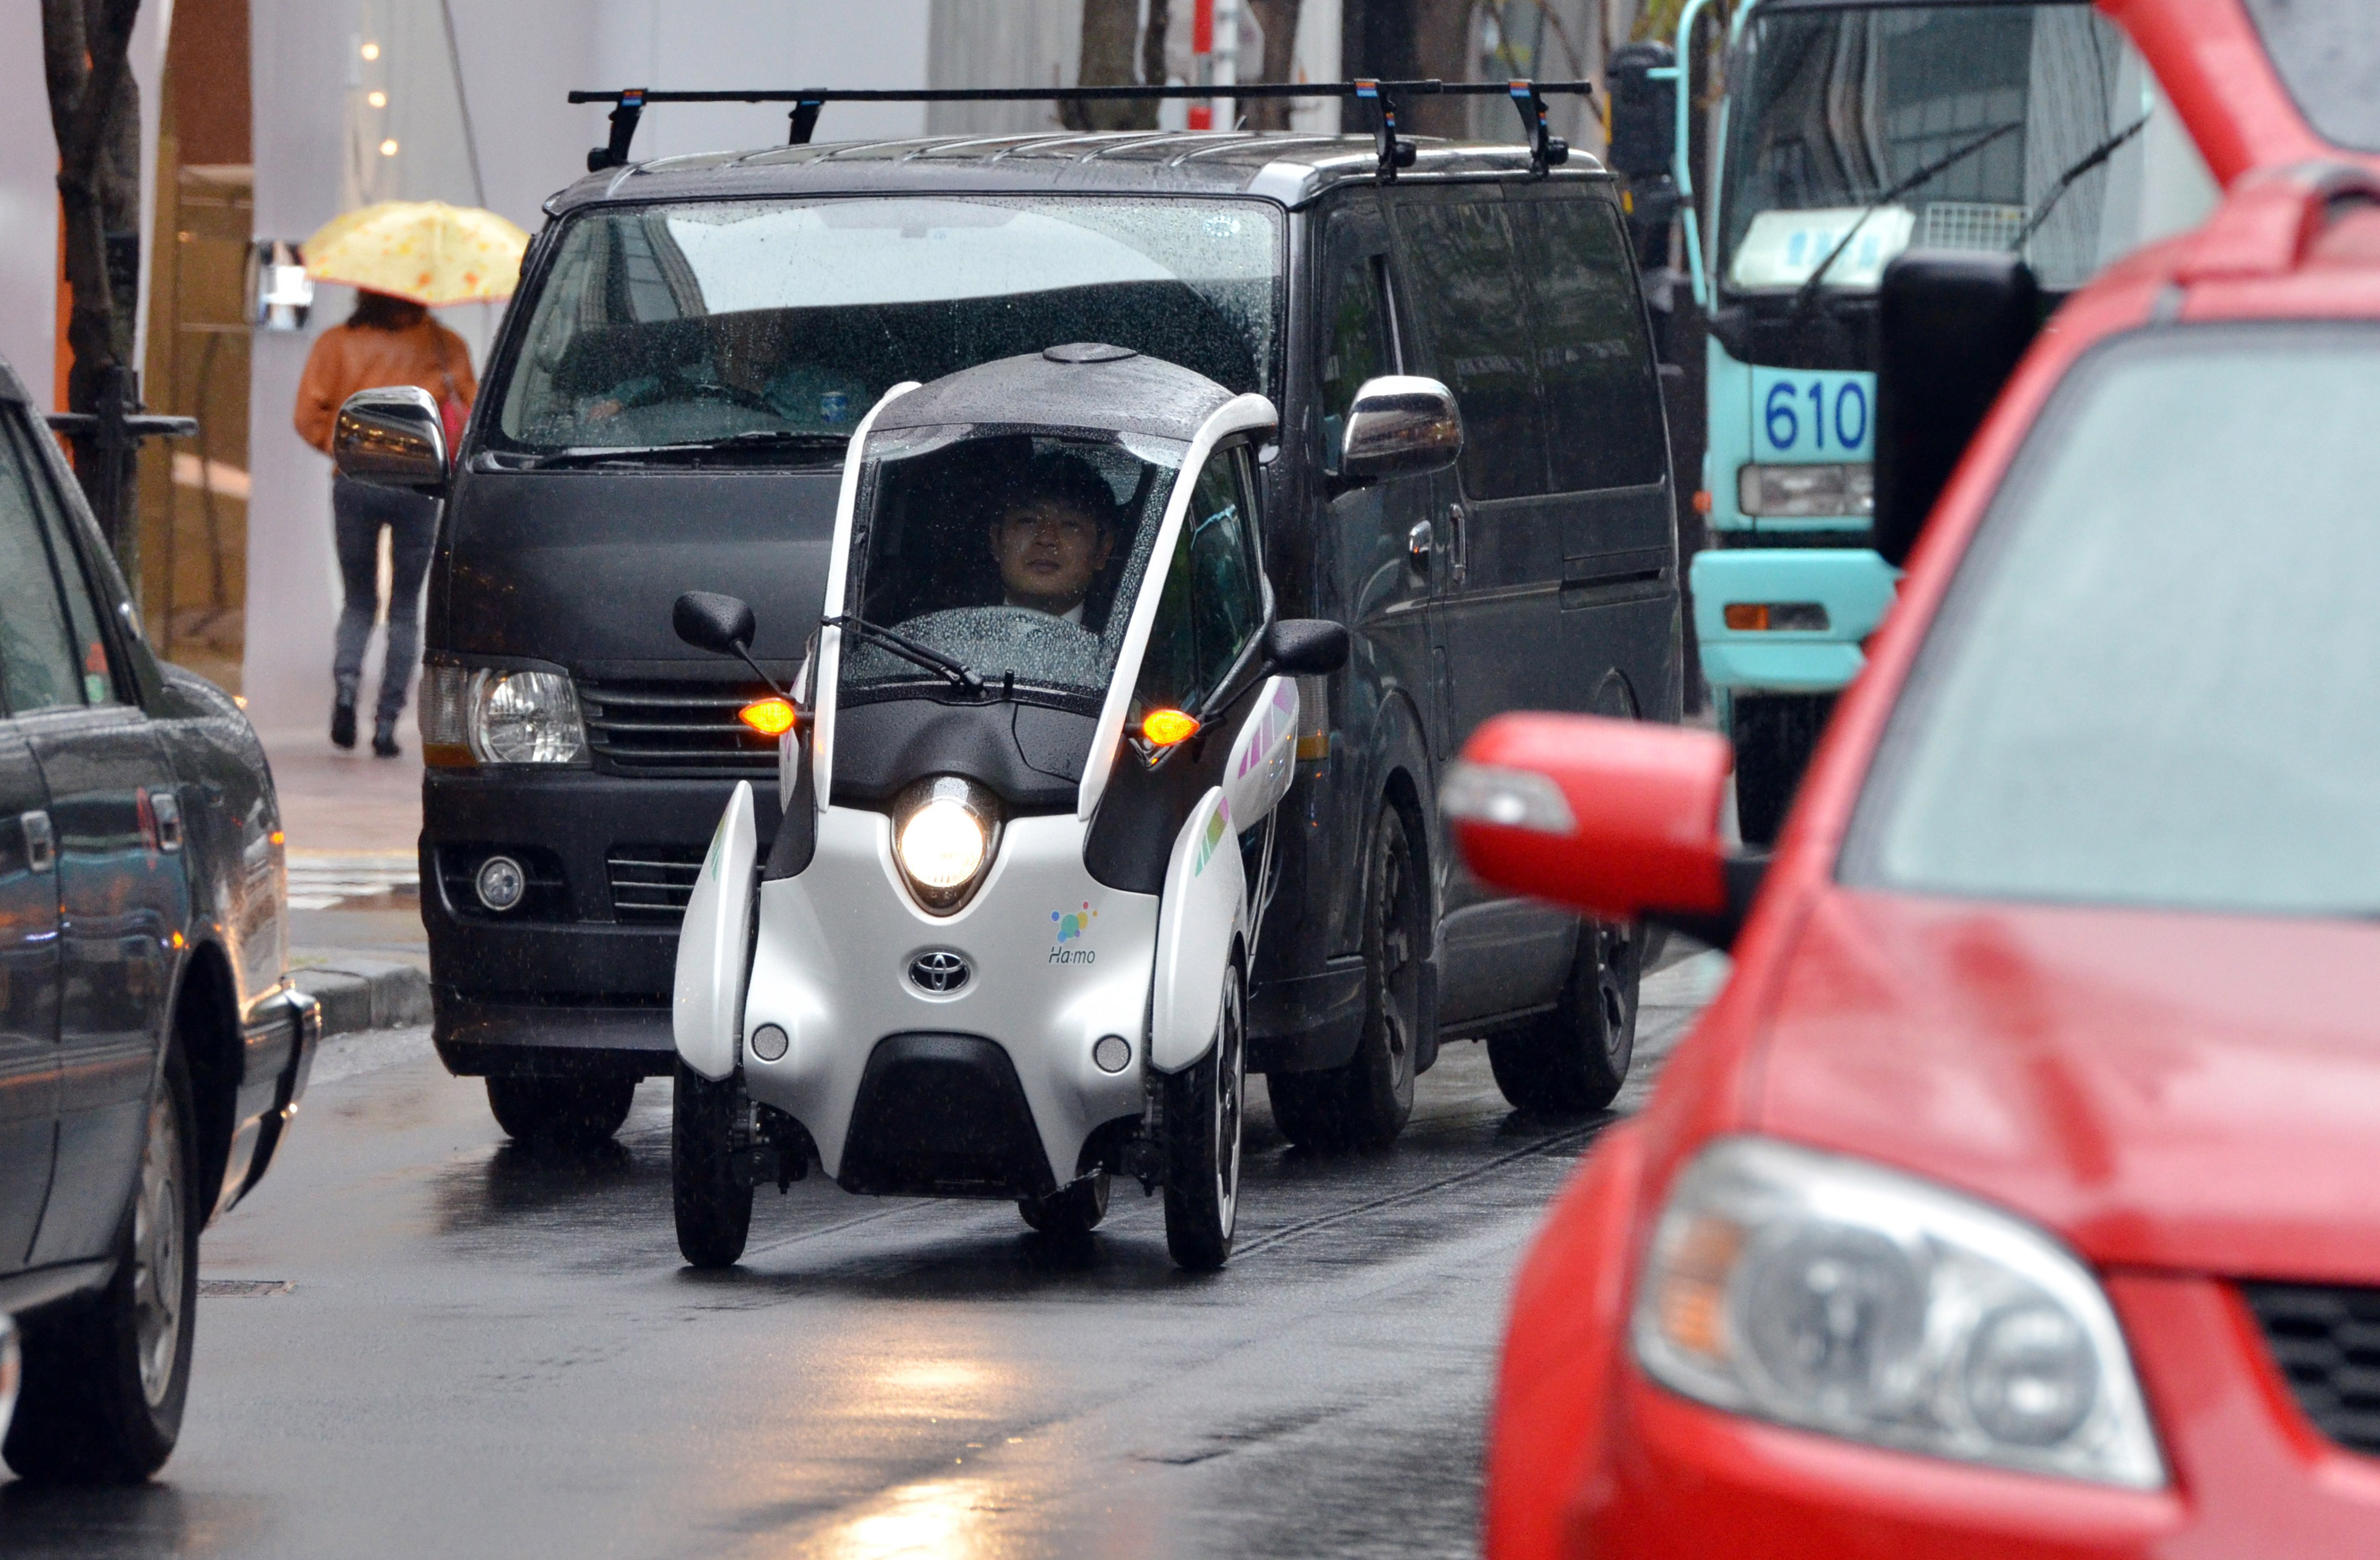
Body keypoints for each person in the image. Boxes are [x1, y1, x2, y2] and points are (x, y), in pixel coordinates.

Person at [293, 289, 476, 756]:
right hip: (417, 485)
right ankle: (386, 724)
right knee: (404, 608)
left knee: (358, 601)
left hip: (355, 482)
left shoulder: (336, 344)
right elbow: (469, 414)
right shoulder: (443, 344)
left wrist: (347, 448)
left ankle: (348, 689)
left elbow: (306, 417)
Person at [986, 454, 1117, 624]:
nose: (1046, 538)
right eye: (1029, 521)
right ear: (997, 541)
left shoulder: (1133, 640)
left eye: (1069, 524)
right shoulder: (949, 632)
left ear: (1102, 551)